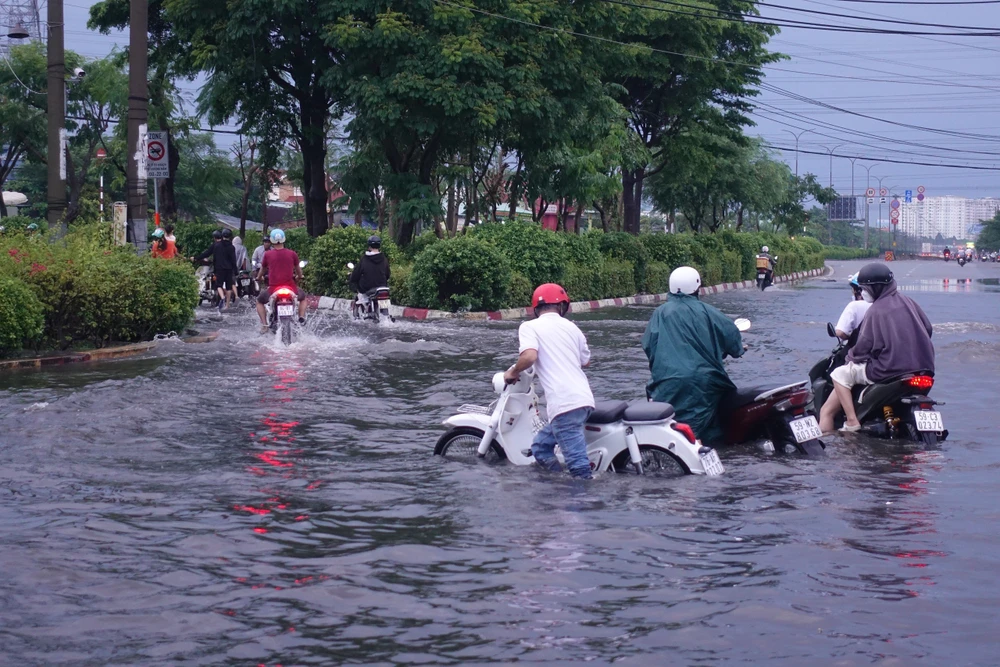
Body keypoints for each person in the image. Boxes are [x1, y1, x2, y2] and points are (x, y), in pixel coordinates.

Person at [819, 263, 934, 433]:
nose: (863, 292)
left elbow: (863, 346)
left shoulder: (876, 310)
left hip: (889, 371)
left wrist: (850, 359)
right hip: (925, 368)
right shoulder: (909, 301)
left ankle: (851, 421)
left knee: (840, 374)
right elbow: (928, 329)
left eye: (865, 288)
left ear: (876, 288)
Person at [641, 266, 745, 444]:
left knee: (673, 428)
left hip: (668, 382)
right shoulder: (707, 311)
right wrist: (738, 350)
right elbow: (731, 335)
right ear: (696, 287)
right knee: (714, 425)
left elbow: (649, 346)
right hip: (705, 381)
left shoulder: (660, 313)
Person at [503, 283, 595, 479]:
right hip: (584, 400)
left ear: (536, 308)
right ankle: (557, 486)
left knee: (579, 468)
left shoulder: (529, 326)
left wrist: (513, 371)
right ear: (562, 306)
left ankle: (583, 503)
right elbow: (585, 361)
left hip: (564, 404)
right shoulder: (572, 327)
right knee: (540, 448)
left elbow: (529, 356)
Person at [256, 228, 307, 332]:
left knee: (259, 301)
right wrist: (300, 276)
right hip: (291, 287)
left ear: (271, 240)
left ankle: (265, 325)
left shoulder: (268, 254)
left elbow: (262, 270)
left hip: (273, 289)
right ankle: (301, 317)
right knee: (303, 298)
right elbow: (299, 271)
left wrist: (258, 277)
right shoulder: (292, 254)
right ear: (284, 239)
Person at [192, 229, 237, 312]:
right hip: (229, 269)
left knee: (219, 285)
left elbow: (207, 253)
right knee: (228, 287)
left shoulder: (217, 245)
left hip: (219, 268)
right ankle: (227, 305)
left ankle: (222, 297)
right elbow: (233, 260)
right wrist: (235, 270)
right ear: (230, 237)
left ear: (222, 235)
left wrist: (196, 258)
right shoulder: (232, 247)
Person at [348, 235, 391, 308]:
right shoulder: (384, 259)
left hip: (367, 287)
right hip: (382, 287)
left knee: (360, 288)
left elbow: (356, 274)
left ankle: (364, 307)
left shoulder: (365, 259)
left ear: (369, 246)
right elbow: (388, 274)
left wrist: (352, 278)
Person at [834, 273, 872, 346]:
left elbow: (840, 332)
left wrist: (851, 338)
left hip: (858, 350)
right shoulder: (884, 305)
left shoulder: (854, 306)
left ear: (857, 291)